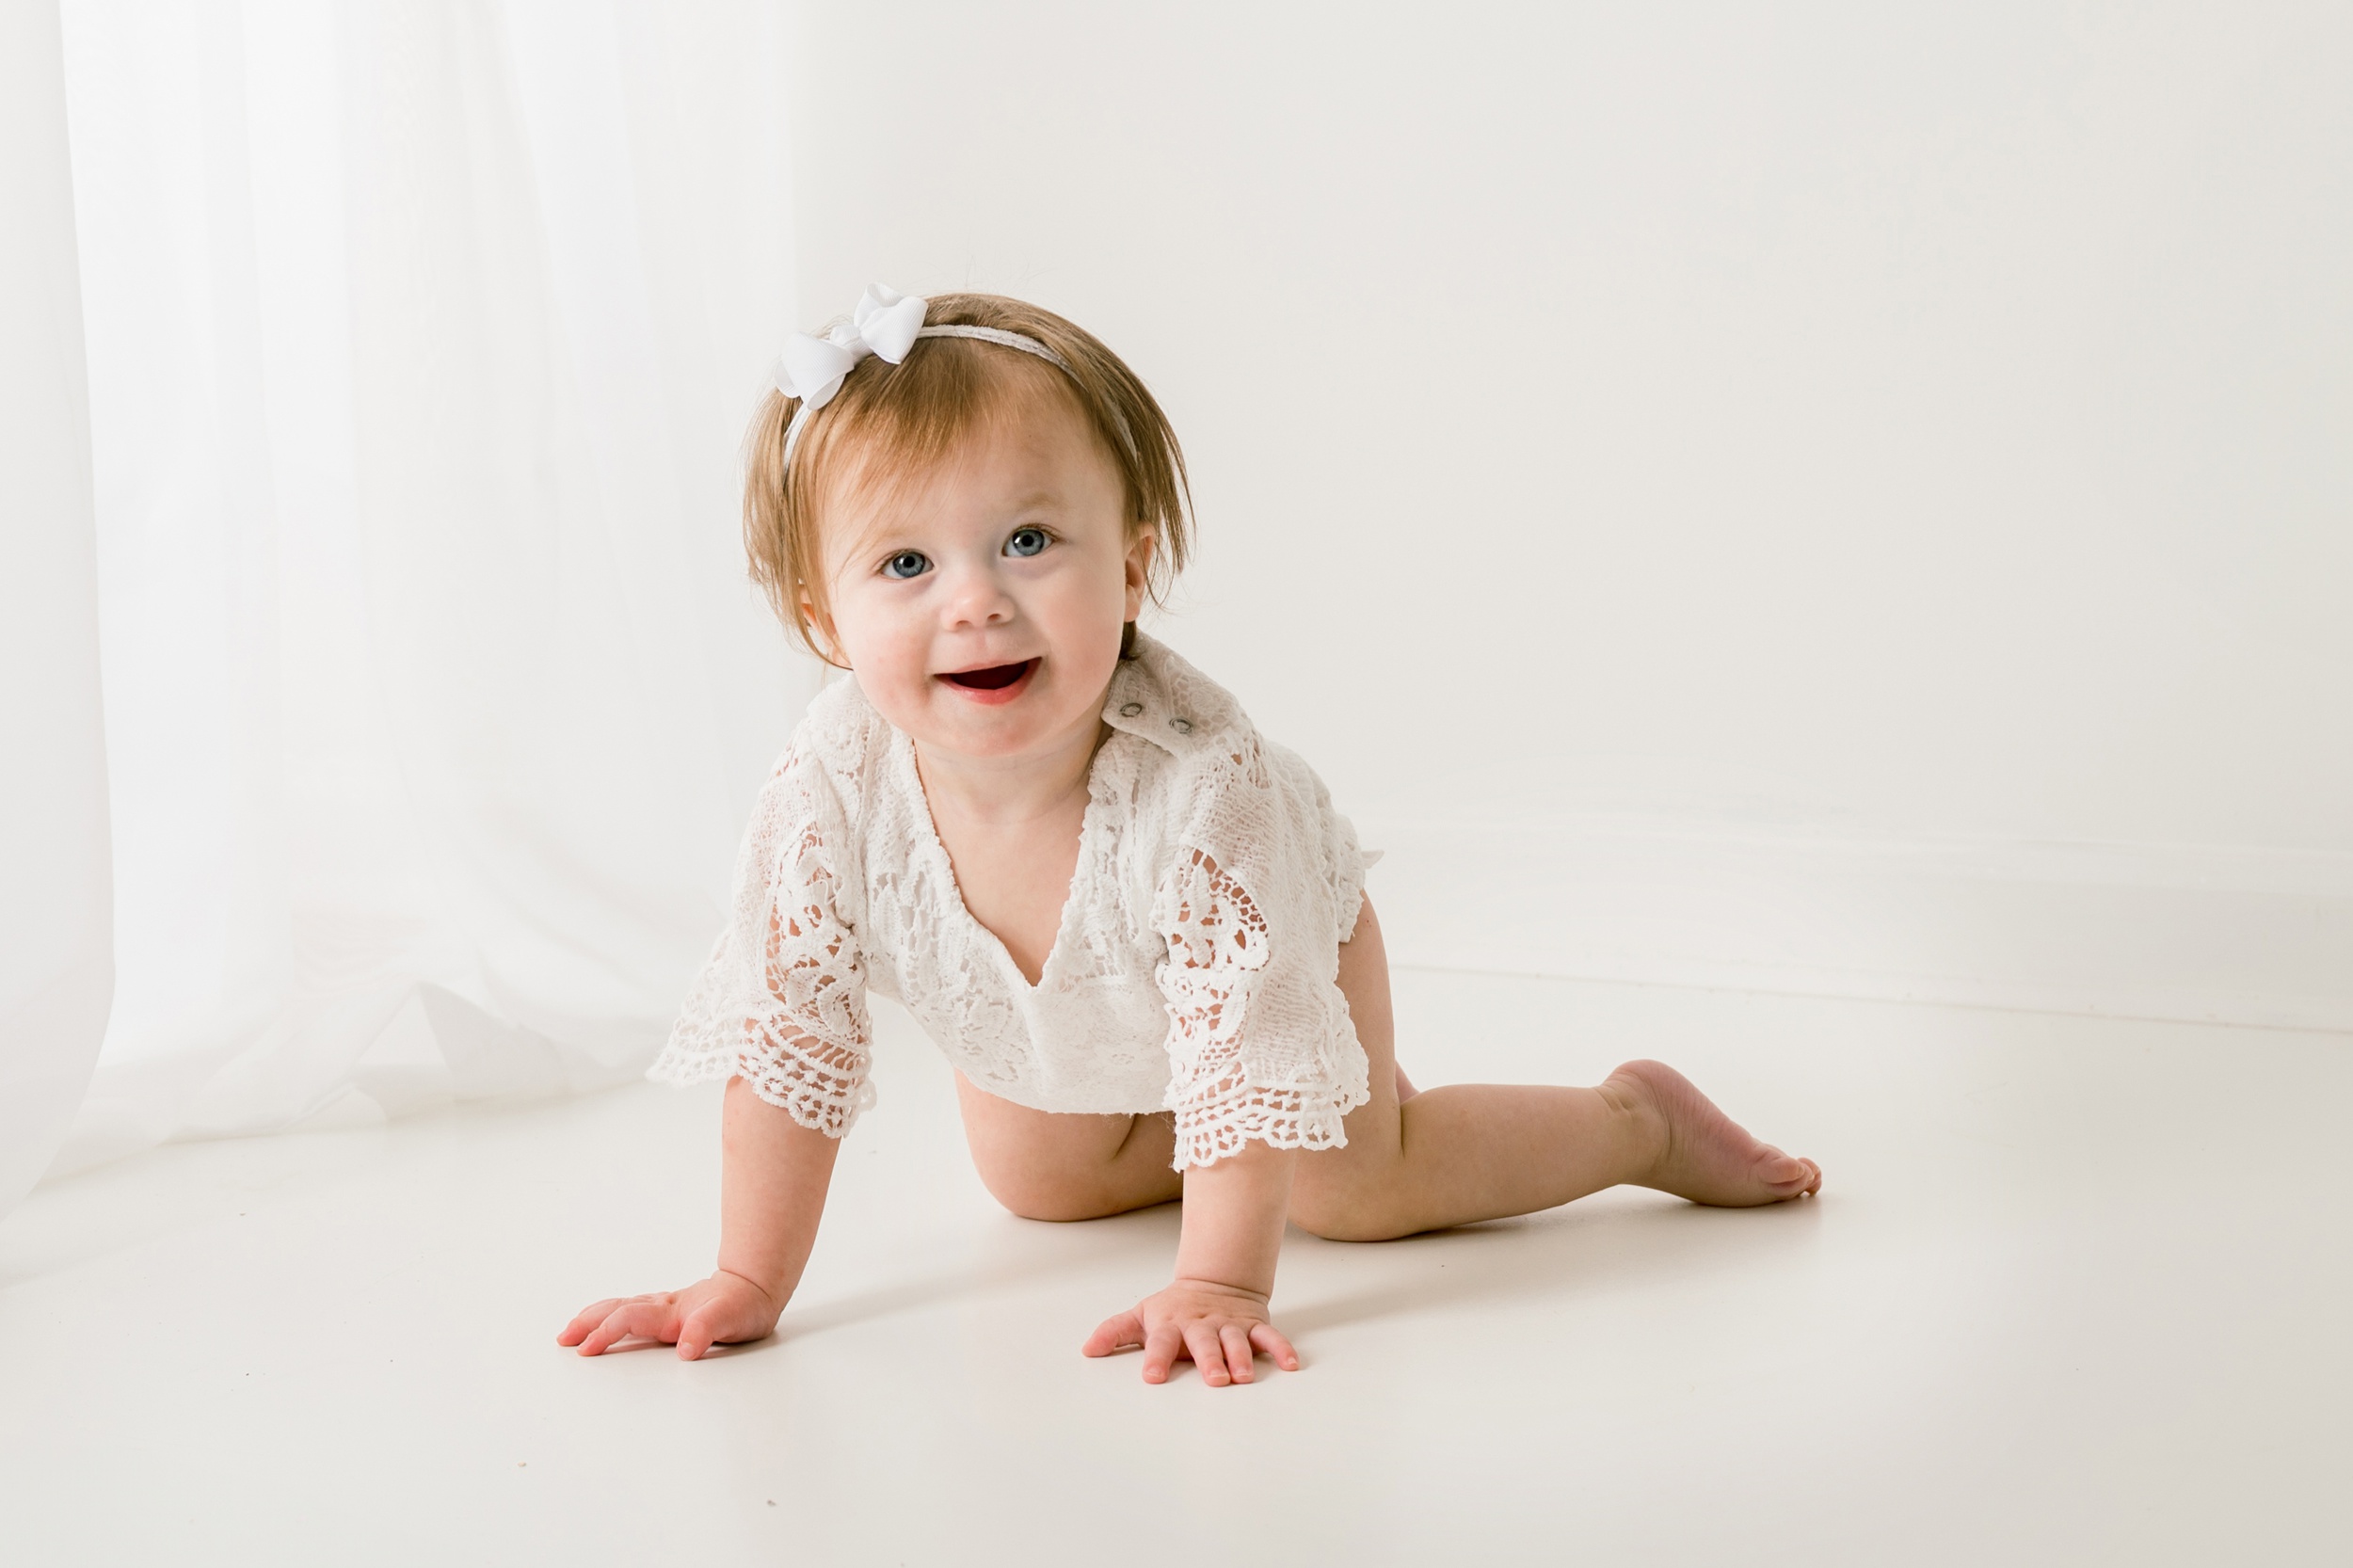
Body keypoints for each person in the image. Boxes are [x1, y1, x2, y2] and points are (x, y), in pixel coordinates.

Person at [559, 286, 1821, 1386]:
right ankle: (1219, 1144)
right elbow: (794, 1045)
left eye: (1031, 541)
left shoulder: (1204, 795)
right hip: (1062, 1025)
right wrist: (745, 1276)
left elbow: (1241, 1033)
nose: (977, 599)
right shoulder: (827, 793)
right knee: (1038, 1185)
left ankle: (1632, 1121)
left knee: (1351, 1185)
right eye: (903, 563)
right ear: (817, 613)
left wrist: (1221, 1281)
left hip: (1268, 957)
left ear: (1131, 563)